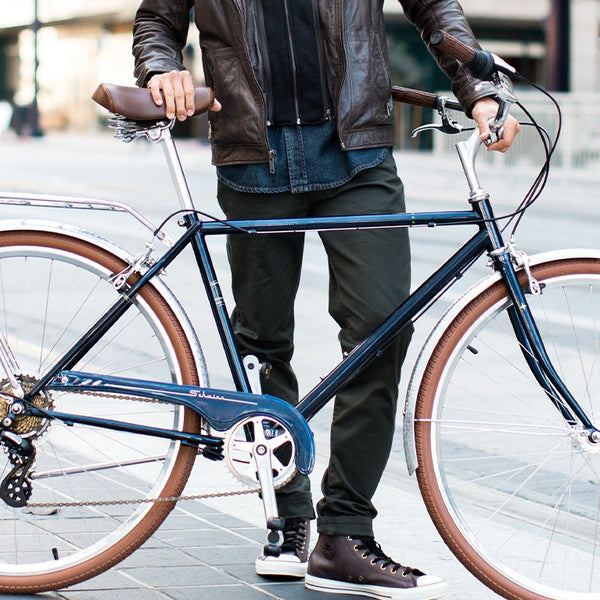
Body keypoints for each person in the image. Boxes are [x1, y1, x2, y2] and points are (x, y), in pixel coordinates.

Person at [132, 2, 519, 598]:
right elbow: (158, 20)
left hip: (357, 153)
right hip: (252, 159)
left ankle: (344, 534)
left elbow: (433, 7)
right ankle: (287, 515)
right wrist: (161, 67)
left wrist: (476, 85)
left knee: (380, 332)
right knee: (261, 343)